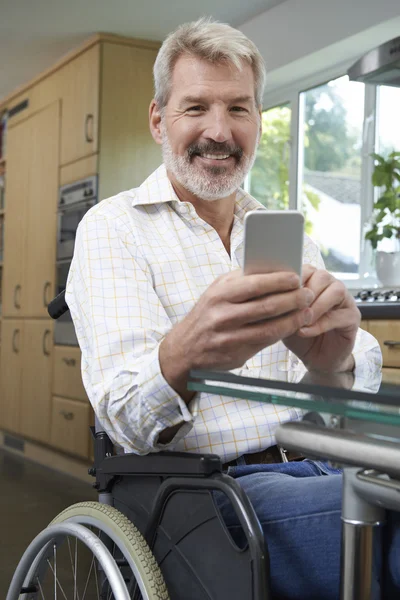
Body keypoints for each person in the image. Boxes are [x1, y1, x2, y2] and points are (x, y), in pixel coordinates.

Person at [66, 17, 398, 599]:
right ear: (158, 120)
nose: (219, 131)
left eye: (238, 109)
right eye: (196, 107)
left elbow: (335, 411)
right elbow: (121, 416)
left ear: (258, 123)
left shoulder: (281, 232)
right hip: (210, 497)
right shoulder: (114, 228)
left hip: (316, 466)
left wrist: (332, 364)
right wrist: (182, 356)